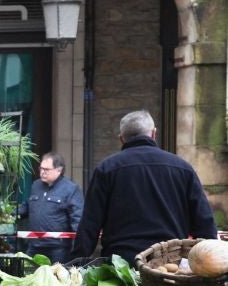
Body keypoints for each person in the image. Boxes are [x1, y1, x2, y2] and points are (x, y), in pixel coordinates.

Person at [70, 109, 216, 263]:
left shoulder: (107, 169)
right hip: (169, 265)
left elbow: (90, 223)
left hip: (121, 265)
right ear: (154, 133)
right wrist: (213, 263)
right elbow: (204, 223)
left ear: (122, 139)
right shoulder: (182, 168)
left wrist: (75, 263)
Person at [16, 151, 83, 264]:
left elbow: (78, 218)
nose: (42, 172)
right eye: (41, 168)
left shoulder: (71, 189)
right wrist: (7, 216)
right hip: (34, 246)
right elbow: (26, 207)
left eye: (47, 170)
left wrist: (78, 247)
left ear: (59, 170)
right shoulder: (36, 185)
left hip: (58, 249)